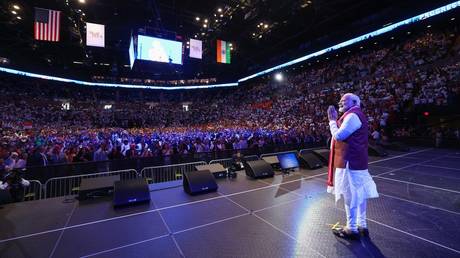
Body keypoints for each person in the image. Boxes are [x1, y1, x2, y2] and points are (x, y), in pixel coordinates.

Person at [326, 93, 379, 239]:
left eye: (344, 100)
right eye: (340, 100)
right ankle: (361, 225)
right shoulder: (355, 115)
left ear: (355, 102)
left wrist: (332, 121)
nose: (340, 102)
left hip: (349, 162)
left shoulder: (353, 115)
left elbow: (339, 136)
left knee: (350, 196)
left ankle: (351, 228)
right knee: (359, 194)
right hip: (356, 161)